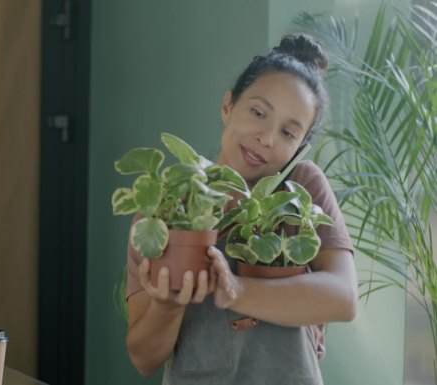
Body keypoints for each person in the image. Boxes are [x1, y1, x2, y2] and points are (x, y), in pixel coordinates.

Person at [125, 34, 358, 384]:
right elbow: (144, 359)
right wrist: (168, 305)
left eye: (288, 133)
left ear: (299, 147)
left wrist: (236, 289)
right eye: (258, 112)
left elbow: (343, 298)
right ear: (227, 106)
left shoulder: (300, 189)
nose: (267, 137)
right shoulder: (169, 203)